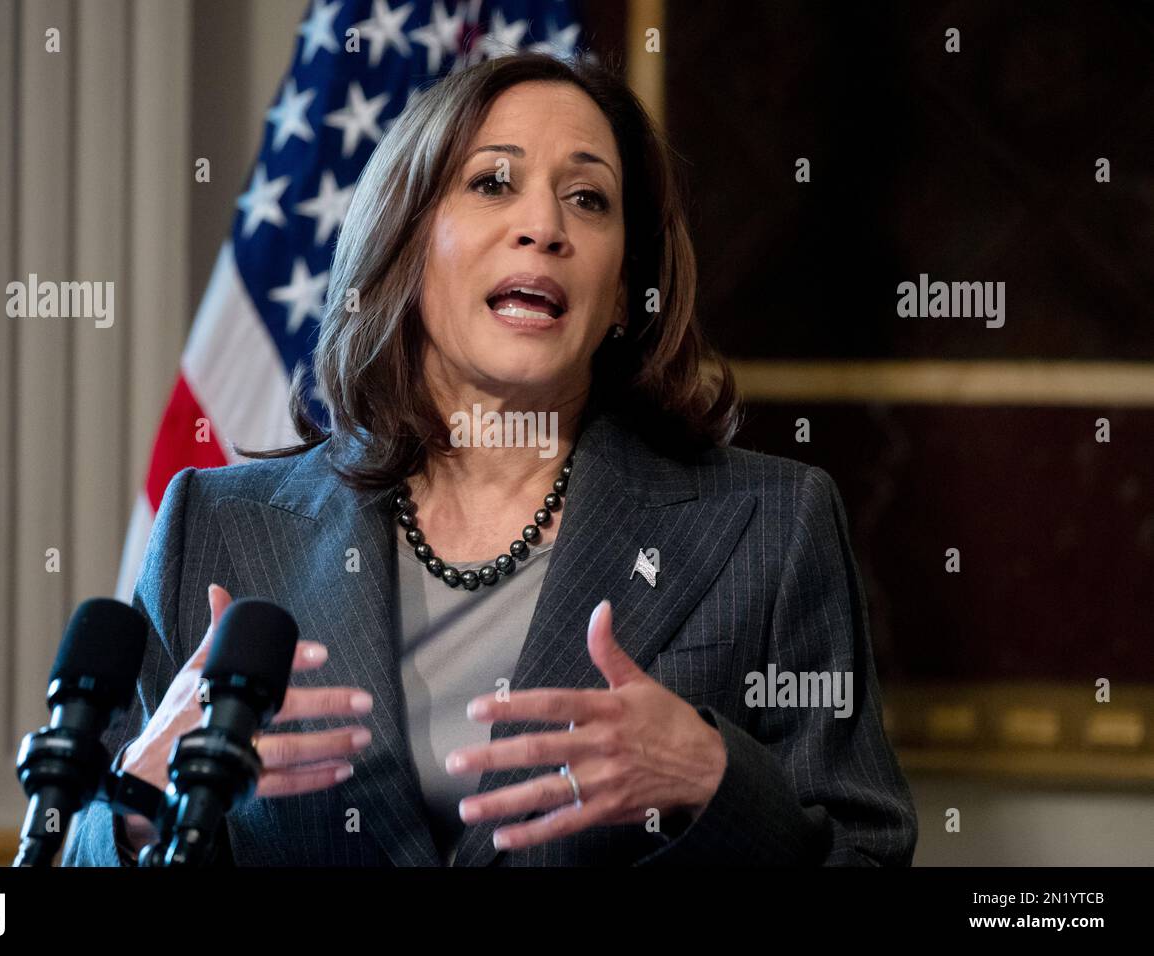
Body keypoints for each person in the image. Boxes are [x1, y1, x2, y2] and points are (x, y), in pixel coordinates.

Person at [61, 52, 917, 867]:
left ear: (622, 292)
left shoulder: (772, 525)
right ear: (407, 247)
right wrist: (137, 801)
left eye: (588, 199)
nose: (543, 227)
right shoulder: (218, 527)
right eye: (491, 183)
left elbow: (865, 855)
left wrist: (713, 782)